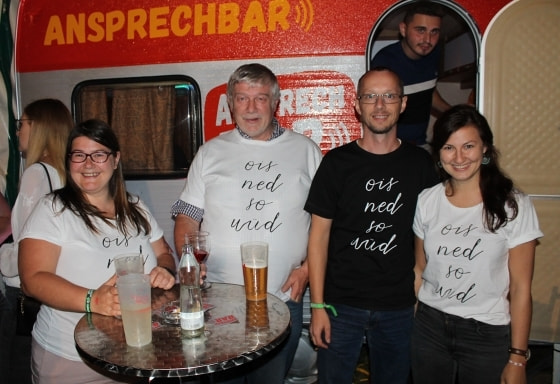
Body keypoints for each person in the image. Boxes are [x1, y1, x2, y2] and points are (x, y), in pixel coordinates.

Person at [171, 63, 323, 383]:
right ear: (230, 103)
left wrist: (308, 268)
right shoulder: (210, 153)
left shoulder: (307, 151)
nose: (251, 108)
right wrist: (189, 261)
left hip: (282, 301)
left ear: (275, 102)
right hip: (220, 303)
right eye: (242, 98)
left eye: (260, 98)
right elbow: (187, 217)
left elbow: (325, 223)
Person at [304, 67, 439, 384]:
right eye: (371, 97)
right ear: (357, 105)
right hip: (341, 306)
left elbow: (431, 236)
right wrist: (318, 306)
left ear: (403, 104)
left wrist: (423, 298)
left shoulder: (421, 165)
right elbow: (318, 239)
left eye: (389, 96)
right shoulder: (336, 164)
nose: (380, 105)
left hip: (400, 307)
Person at [18, 119, 176, 384]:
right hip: (71, 359)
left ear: (115, 160)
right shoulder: (53, 209)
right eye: (79, 155)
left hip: (135, 355)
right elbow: (32, 279)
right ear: (69, 162)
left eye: (99, 154)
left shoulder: (136, 207)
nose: (88, 164)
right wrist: (92, 301)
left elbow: (164, 253)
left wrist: (165, 270)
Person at [411, 105, 542, 384]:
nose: (459, 157)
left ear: (485, 149)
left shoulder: (513, 204)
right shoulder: (427, 200)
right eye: (449, 147)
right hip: (429, 328)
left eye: (468, 146)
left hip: (487, 332)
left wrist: (517, 357)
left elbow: (520, 289)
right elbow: (420, 270)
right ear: (438, 153)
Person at [0, 99, 73, 384]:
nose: (17, 132)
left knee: (14, 368)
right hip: (51, 284)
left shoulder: (36, 173)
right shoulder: (63, 172)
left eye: (22, 124)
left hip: (23, 291)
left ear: (39, 127)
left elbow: (25, 247)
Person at [371, 1, 451, 148]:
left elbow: (428, 91)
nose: (427, 39)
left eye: (434, 32)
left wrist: (454, 112)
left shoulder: (435, 54)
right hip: (391, 147)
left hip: (420, 144)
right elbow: (375, 107)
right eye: (420, 30)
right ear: (403, 29)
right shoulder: (385, 61)